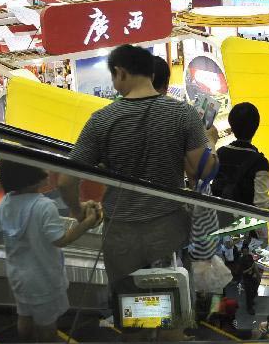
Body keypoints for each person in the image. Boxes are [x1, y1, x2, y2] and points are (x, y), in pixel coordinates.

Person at [62, 45, 217, 309]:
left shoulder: (101, 120)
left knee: (129, 307)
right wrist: (210, 142)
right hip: (167, 230)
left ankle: (136, 343)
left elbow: (67, 179)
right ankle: (172, 339)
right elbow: (205, 170)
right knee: (170, 303)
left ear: (121, 73)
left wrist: (78, 212)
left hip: (120, 234)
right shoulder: (183, 114)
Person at [0, 160, 100, 342]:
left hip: (18, 278)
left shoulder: (4, 204)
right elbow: (61, 240)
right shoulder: (44, 206)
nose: (47, 169)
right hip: (44, 280)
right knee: (47, 324)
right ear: (31, 178)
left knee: (24, 314)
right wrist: (87, 223)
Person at [212, 103, 269, 220]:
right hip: (246, 225)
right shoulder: (260, 162)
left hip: (221, 220)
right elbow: (261, 204)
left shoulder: (220, 153)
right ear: (256, 126)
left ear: (232, 127)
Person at [238, 243, 261, 315]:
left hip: (252, 276)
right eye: (244, 251)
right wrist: (250, 269)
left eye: (247, 251)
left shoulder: (250, 256)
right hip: (246, 278)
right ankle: (249, 308)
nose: (246, 253)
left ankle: (251, 300)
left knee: (255, 290)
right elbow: (242, 272)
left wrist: (256, 274)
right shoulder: (241, 260)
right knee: (248, 293)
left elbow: (254, 265)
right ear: (242, 252)